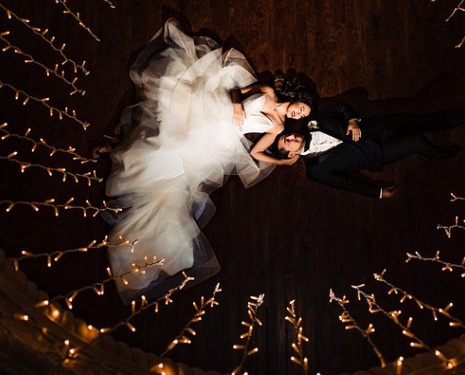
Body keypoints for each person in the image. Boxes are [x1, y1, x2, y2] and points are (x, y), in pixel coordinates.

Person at [102, 19, 314, 302]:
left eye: (301, 116)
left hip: (224, 137)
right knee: (170, 105)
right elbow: (239, 90)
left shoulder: (276, 128)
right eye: (301, 108)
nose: (298, 115)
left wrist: (282, 163)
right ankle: (125, 145)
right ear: (296, 98)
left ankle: (152, 237)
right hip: (219, 109)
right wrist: (238, 104)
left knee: (177, 165)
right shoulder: (269, 93)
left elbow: (255, 154)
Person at [268, 93, 465, 199]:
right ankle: (434, 154)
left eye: (288, 135)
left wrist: (352, 120)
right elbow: (347, 183)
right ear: (290, 154)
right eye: (287, 142)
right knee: (416, 142)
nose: (292, 138)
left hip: (379, 128)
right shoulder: (316, 170)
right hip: (378, 153)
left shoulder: (312, 123)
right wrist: (377, 192)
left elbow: (339, 107)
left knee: (426, 120)